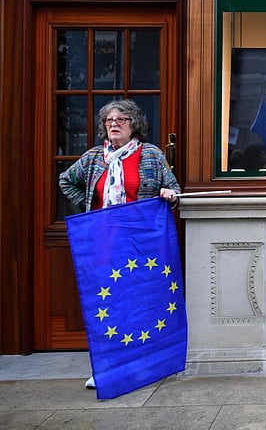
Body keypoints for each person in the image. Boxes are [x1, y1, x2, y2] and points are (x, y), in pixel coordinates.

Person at [58, 99, 180, 389]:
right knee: (107, 301)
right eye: (109, 121)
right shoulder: (93, 158)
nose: (113, 124)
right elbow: (66, 181)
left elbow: (174, 189)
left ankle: (144, 364)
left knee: (139, 300)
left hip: (140, 242)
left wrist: (168, 195)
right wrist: (90, 208)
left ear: (134, 124)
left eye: (120, 120)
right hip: (102, 240)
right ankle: (106, 368)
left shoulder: (150, 155)